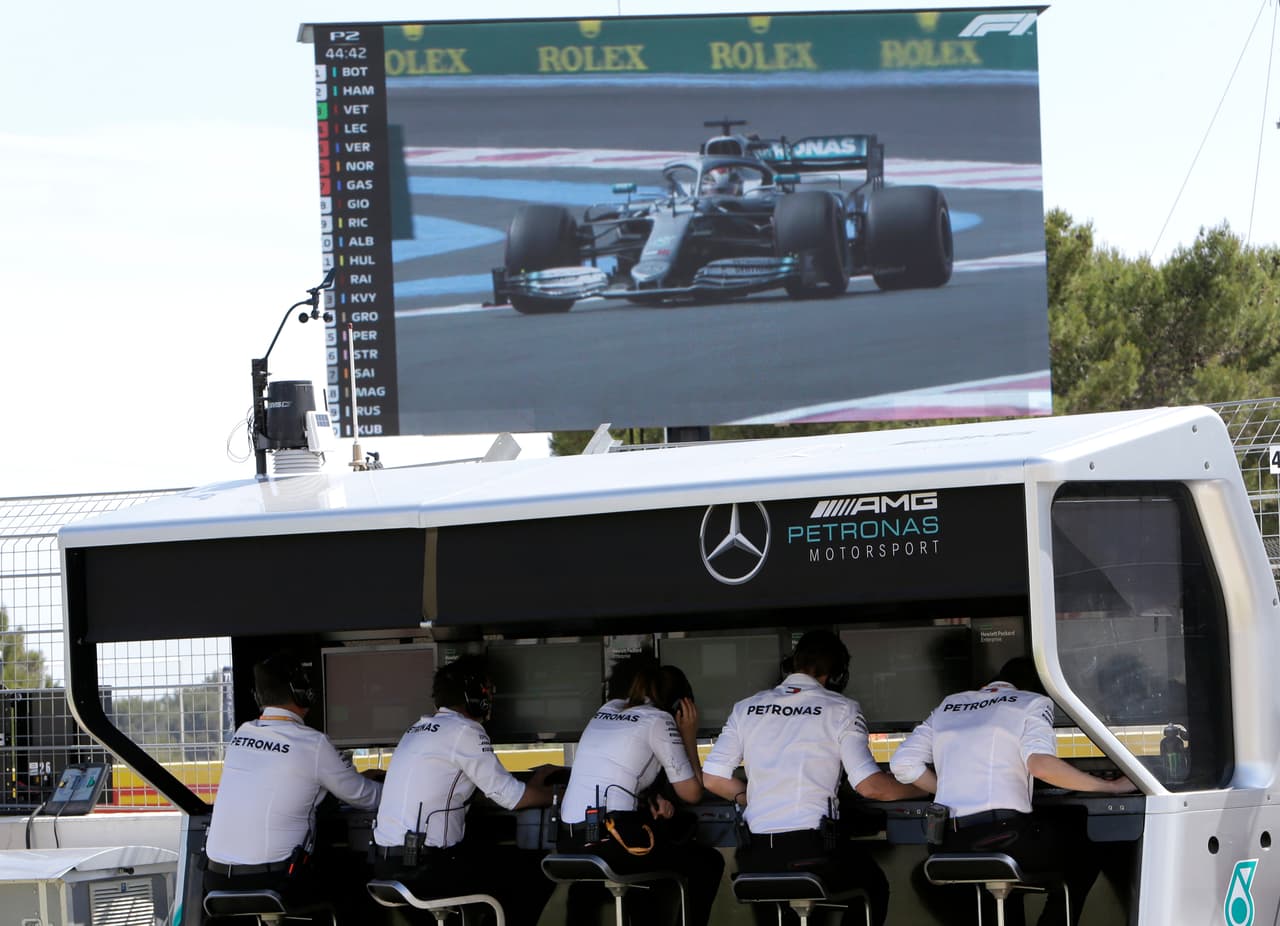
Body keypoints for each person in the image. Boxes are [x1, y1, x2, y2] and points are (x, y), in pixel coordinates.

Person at [889, 657, 1136, 926]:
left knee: (1003, 869)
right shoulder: (1032, 701)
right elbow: (1041, 766)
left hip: (948, 845)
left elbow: (903, 764)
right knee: (1087, 848)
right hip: (1006, 838)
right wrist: (1110, 786)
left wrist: (948, 788)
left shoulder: (949, 705)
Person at [704, 630, 924, 926]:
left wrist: (748, 797)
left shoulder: (745, 708)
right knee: (873, 885)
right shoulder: (842, 709)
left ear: (791, 665)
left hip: (755, 858)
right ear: (838, 676)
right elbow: (871, 787)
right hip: (812, 852)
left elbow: (713, 778)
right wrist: (922, 788)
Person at [372, 654, 557, 926]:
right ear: (475, 696)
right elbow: (512, 798)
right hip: (423, 870)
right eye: (488, 691)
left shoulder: (416, 729)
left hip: (387, 867)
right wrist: (560, 794)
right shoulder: (465, 730)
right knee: (532, 871)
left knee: (484, 854)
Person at [203, 653, 383, 921]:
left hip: (217, 881)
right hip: (276, 882)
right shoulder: (313, 743)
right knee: (353, 875)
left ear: (258, 697)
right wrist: (398, 788)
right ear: (302, 692)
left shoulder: (243, 733)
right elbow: (365, 798)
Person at [558, 654, 724, 926]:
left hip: (570, 841)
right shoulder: (659, 720)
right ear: (679, 706)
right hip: (612, 843)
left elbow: (618, 771)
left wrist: (650, 798)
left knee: (651, 863)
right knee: (707, 862)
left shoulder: (609, 708)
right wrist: (689, 736)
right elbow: (692, 794)